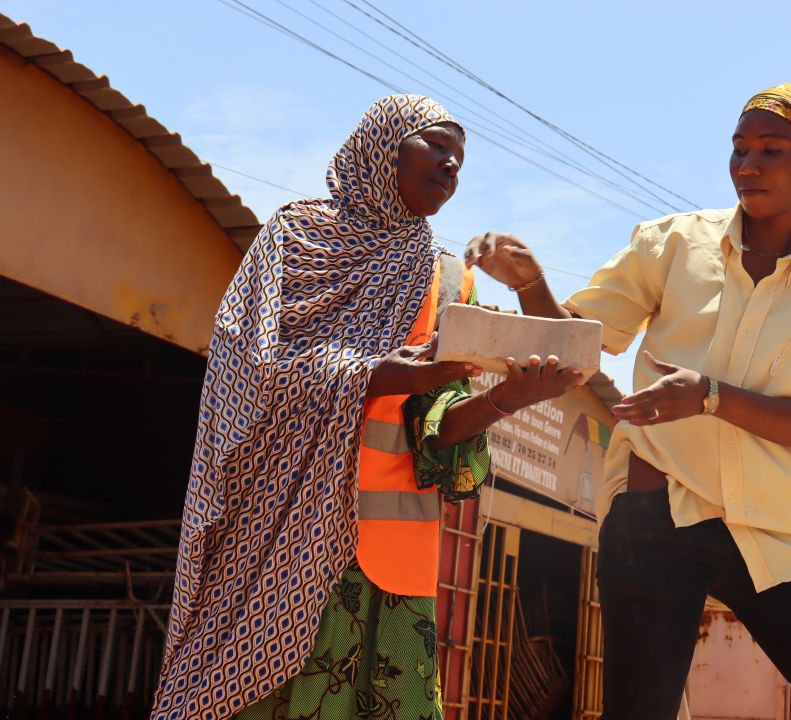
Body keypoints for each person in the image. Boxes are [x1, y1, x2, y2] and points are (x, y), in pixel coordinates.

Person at [465, 82, 791, 720]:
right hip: (656, 514)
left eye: (771, 149)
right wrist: (533, 283)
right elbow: (577, 347)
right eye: (738, 150)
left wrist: (709, 398)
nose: (747, 166)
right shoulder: (672, 243)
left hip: (773, 528)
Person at [153, 94, 583, 720]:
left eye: (458, 160)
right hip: (274, 545)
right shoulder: (294, 237)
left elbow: (436, 433)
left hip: (386, 566)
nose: (449, 166)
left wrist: (505, 398)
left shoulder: (443, 280)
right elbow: (245, 369)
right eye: (435, 145)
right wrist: (372, 374)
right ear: (382, 145)